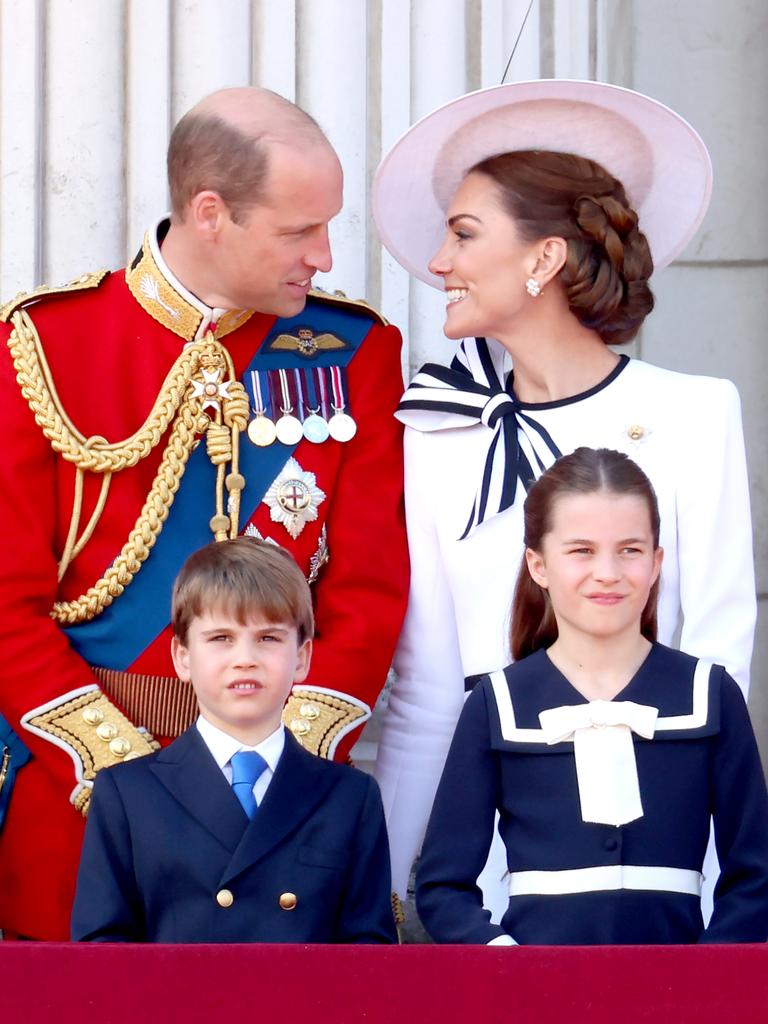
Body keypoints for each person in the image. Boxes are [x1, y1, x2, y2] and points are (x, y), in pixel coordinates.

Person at [0, 87, 408, 941]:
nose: (326, 256)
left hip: (281, 814)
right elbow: (7, 605)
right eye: (300, 231)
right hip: (84, 799)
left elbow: (368, 595)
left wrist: (277, 763)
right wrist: (125, 779)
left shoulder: (354, 353)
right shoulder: (43, 344)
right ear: (211, 212)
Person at [371, 79, 756, 910]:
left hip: (652, 856)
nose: (439, 263)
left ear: (543, 258)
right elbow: (429, 687)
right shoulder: (438, 429)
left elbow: (718, 658)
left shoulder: (693, 413)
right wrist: (393, 885)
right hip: (484, 865)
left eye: (464, 236)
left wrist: (719, 882)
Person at [415, 448, 768, 945]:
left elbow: (757, 876)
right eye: (581, 550)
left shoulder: (710, 694)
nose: (608, 572)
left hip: (679, 1000)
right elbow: (442, 887)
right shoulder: (496, 702)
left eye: (630, 549)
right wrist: (504, 962)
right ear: (538, 565)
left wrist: (703, 975)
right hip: (535, 999)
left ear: (657, 561)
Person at [71, 538, 397, 943]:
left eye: (269, 638)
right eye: (221, 638)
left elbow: (367, 959)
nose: (245, 658)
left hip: (304, 1007)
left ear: (302, 658)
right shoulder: (127, 794)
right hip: (173, 1007)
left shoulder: (349, 797)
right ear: (182, 657)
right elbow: (102, 956)